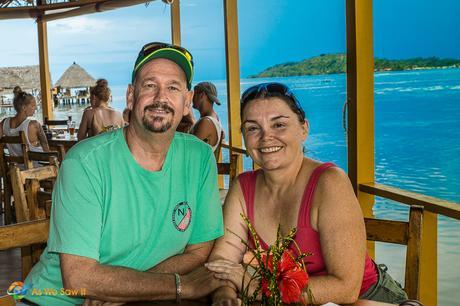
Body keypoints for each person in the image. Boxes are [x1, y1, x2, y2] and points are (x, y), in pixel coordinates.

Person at [21, 42, 227, 306]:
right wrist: (180, 286)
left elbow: (199, 251)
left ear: (187, 102)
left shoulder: (200, 158)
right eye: (150, 85)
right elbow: (79, 278)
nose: (161, 97)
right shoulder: (85, 163)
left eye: (173, 87)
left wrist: (124, 288)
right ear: (131, 96)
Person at [205, 83, 408, 305]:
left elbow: (345, 288)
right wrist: (224, 294)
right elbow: (223, 259)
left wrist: (255, 287)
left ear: (304, 129)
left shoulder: (330, 182)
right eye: (253, 128)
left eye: (279, 125)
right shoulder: (242, 187)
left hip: (367, 298)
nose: (266, 137)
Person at [0, 87, 49, 154]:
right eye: (33, 106)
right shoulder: (34, 125)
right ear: (24, 107)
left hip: (15, 164)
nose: (35, 108)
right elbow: (45, 146)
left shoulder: (4, 123)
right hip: (37, 163)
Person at [190, 82, 224, 152]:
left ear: (202, 95)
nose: (191, 97)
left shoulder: (206, 122)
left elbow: (189, 149)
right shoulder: (214, 117)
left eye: (194, 94)